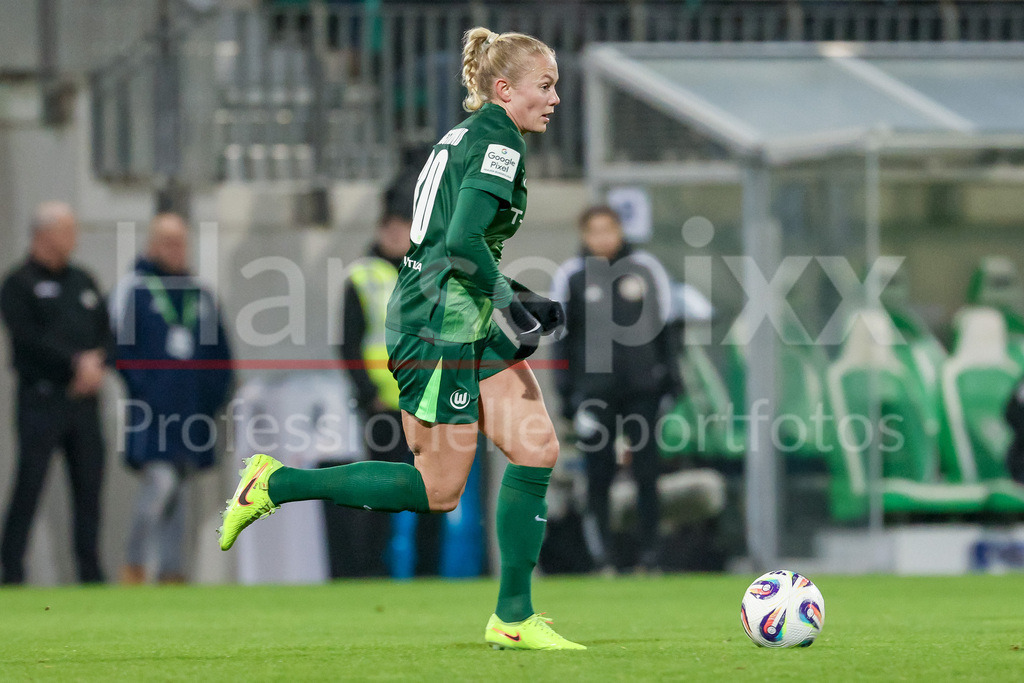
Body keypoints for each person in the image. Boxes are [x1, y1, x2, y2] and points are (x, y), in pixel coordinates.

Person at [218, 27, 582, 650]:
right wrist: (513, 300)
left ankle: (514, 617)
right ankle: (275, 484)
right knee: (438, 490)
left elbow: (450, 240)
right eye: (544, 86)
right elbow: (465, 242)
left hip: (451, 312)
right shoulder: (499, 142)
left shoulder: (464, 136)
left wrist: (508, 297)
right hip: (437, 326)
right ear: (503, 89)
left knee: (537, 447)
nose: (554, 98)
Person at [551, 205, 682, 574]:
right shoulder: (571, 276)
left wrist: (670, 380)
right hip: (594, 391)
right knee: (598, 474)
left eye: (609, 229)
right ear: (583, 235)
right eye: (594, 231)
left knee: (646, 471)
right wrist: (566, 393)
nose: (603, 238)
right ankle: (602, 556)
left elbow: (667, 328)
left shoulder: (646, 269)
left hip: (643, 388)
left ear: (620, 230)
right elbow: (561, 338)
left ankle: (650, 554)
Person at [109, 213, 234, 584]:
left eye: (180, 242)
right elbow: (119, 349)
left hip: (191, 411)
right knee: (159, 483)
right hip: (152, 411)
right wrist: (144, 389)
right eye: (166, 242)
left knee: (179, 489)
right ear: (151, 244)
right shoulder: (134, 290)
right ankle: (135, 562)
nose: (174, 249)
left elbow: (220, 355)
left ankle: (172, 569)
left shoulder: (201, 295)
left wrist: (211, 399)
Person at [0, 201, 112, 585]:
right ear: (45, 235)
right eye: (68, 230)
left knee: (89, 489)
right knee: (29, 485)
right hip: (41, 401)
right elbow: (29, 341)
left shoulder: (83, 280)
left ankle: (90, 572)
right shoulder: (19, 284)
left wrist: (97, 361)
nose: (74, 238)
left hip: (83, 403)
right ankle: (11, 570)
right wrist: (74, 363)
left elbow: (105, 331)